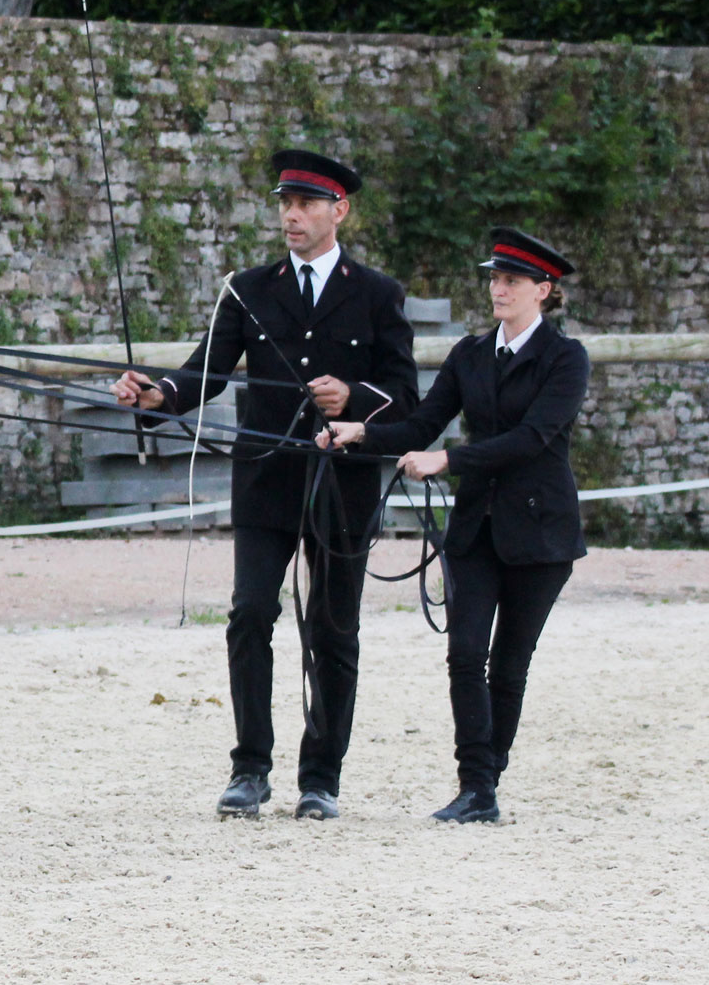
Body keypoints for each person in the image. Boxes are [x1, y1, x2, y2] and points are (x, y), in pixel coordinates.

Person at [111, 149, 420, 821]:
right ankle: (250, 768)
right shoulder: (248, 289)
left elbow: (405, 395)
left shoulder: (378, 295)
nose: (292, 215)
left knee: (334, 631)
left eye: (307, 204)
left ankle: (322, 777)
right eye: (285, 202)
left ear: (339, 210)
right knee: (251, 612)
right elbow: (206, 372)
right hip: (266, 480)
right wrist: (157, 394)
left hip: (344, 488)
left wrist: (354, 396)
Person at [318, 228, 587, 823]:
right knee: (464, 654)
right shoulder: (470, 354)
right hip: (475, 531)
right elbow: (421, 426)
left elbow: (532, 438)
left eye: (511, 281)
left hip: (540, 534)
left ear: (543, 290)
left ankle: (488, 780)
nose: (498, 289)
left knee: (510, 661)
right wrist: (363, 433)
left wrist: (451, 460)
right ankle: (475, 785)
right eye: (494, 279)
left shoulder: (566, 359)